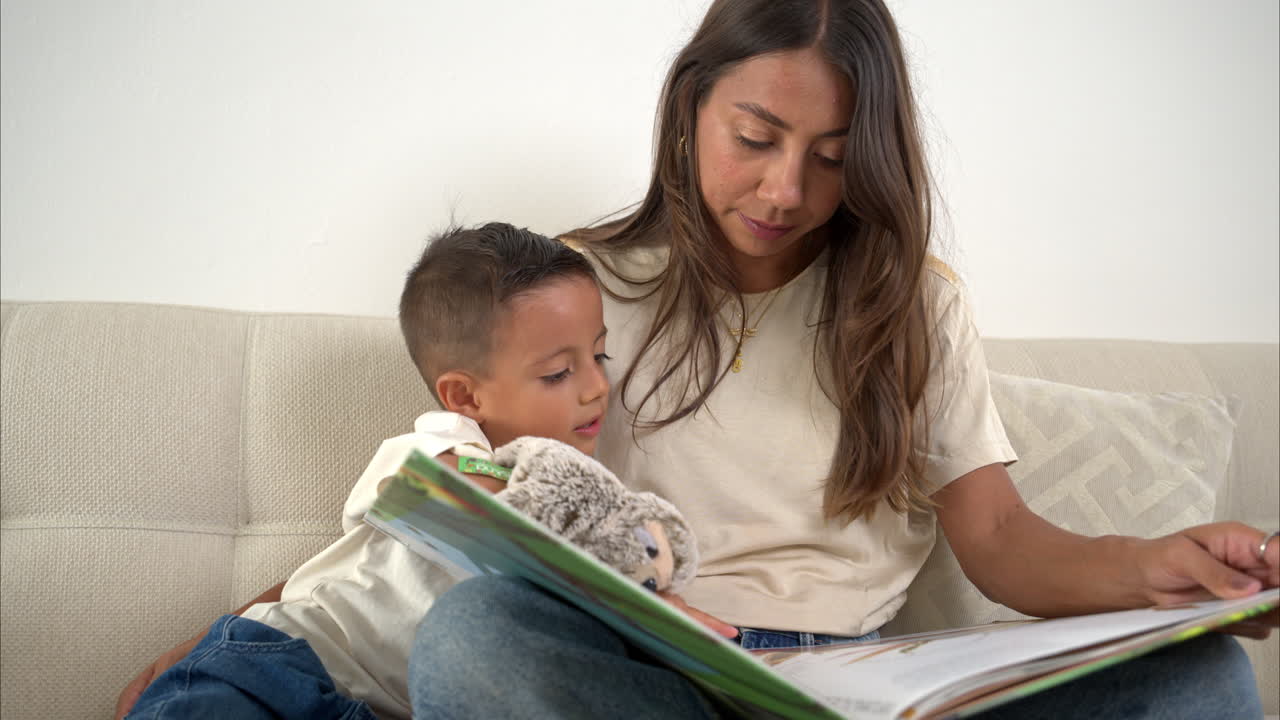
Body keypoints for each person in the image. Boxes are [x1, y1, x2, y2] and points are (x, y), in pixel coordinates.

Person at [120, 1, 1279, 718]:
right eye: (755, 139)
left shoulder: (911, 305)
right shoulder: (574, 289)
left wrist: (1156, 570)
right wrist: (242, 639)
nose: (785, 190)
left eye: (829, 157)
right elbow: (444, 516)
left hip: (850, 687)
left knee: (1207, 689)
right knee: (473, 640)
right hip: (645, 673)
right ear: (689, 111)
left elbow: (1003, 544)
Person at [120, 222, 612, 719]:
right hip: (275, 670)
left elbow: (326, 569)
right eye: (558, 373)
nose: (597, 386)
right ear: (465, 397)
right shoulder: (439, 448)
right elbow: (462, 491)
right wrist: (204, 641)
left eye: (599, 355)